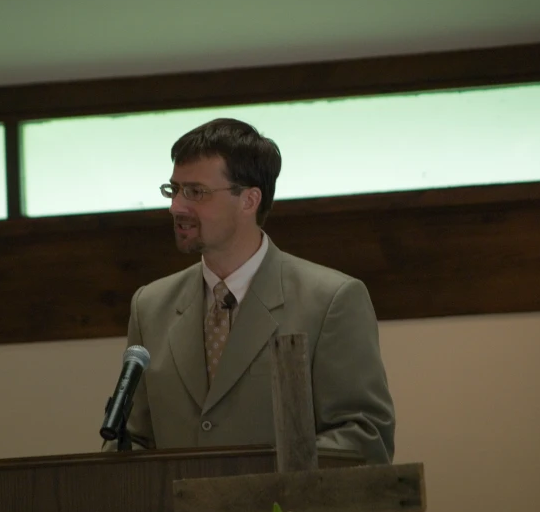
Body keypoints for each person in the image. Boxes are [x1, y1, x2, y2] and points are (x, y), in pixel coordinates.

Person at [103, 118, 395, 464]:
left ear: (249, 200)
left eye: (195, 192)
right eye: (174, 190)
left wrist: (254, 483)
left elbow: (366, 436)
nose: (176, 207)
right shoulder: (149, 306)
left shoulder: (332, 300)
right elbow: (132, 438)